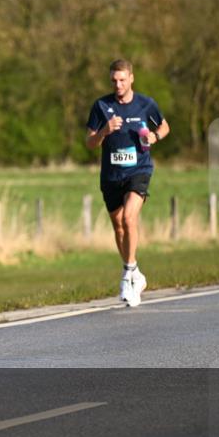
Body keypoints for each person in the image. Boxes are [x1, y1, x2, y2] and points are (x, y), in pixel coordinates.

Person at [86, 59, 169, 307]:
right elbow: (89, 142)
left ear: (131, 78)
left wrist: (154, 136)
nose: (118, 84)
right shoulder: (101, 106)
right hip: (111, 175)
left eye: (122, 79)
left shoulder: (146, 104)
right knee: (119, 227)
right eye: (114, 80)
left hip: (139, 170)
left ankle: (128, 275)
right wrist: (104, 131)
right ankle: (135, 273)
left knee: (128, 218)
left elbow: (164, 126)